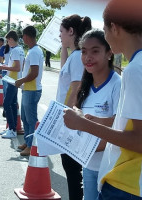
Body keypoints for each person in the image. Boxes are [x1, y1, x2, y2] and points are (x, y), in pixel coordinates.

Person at [63, 0, 142, 199]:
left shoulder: (134, 71)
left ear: (113, 28)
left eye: (105, 30)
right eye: (84, 52)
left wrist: (83, 124)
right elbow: (131, 124)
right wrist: (97, 121)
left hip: (127, 182)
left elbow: (139, 140)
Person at [76, 29, 121, 200]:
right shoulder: (86, 85)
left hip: (111, 169)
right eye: (84, 52)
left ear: (109, 53)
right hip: (89, 166)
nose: (88, 57)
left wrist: (85, 148)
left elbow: (122, 125)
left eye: (95, 51)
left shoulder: (118, 85)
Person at [57, 14, 92, 200]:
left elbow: (76, 88)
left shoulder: (78, 56)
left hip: (70, 120)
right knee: (71, 170)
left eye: (61, 32)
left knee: (73, 171)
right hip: (70, 118)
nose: (59, 35)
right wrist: (64, 47)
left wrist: (63, 119)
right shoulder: (75, 56)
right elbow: (65, 70)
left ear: (71, 31)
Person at [15, 26, 43, 156]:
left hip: (32, 90)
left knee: (31, 120)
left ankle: (32, 145)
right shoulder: (33, 50)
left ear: (26, 36)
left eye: (22, 36)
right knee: (25, 118)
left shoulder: (34, 52)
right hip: (28, 89)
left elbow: (34, 73)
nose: (22, 38)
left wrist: (21, 80)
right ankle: (28, 141)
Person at [0, 30, 24, 138]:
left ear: (11, 39)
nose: (7, 43)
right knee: (12, 103)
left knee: (7, 103)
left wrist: (3, 67)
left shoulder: (16, 51)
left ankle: (12, 129)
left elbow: (17, 68)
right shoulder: (20, 49)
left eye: (8, 41)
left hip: (13, 80)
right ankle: (12, 128)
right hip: (14, 79)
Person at [0, 42, 11, 118]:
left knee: (12, 92)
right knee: (6, 91)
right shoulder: (4, 48)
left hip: (13, 72)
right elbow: (0, 61)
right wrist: (1, 69)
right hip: (5, 72)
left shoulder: (17, 49)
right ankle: (5, 109)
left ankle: (11, 110)